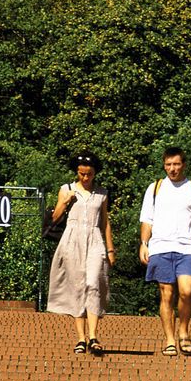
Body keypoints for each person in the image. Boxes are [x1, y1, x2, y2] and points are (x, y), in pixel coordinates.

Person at [138, 146, 191, 356]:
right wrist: (144, 243)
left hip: (188, 247)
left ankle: (183, 331)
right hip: (160, 246)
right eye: (169, 164)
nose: (172, 169)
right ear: (164, 165)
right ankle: (170, 340)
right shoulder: (155, 188)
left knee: (187, 290)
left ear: (184, 165)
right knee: (166, 294)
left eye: (176, 164)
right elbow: (147, 219)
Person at [47, 151, 115, 355]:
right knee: (77, 287)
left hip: (94, 239)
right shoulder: (66, 189)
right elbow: (55, 218)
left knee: (94, 283)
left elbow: (105, 222)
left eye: (89, 174)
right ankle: (80, 338)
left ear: (95, 173)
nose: (85, 178)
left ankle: (93, 336)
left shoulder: (102, 193)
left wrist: (110, 248)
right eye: (82, 174)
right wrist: (66, 201)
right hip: (72, 239)